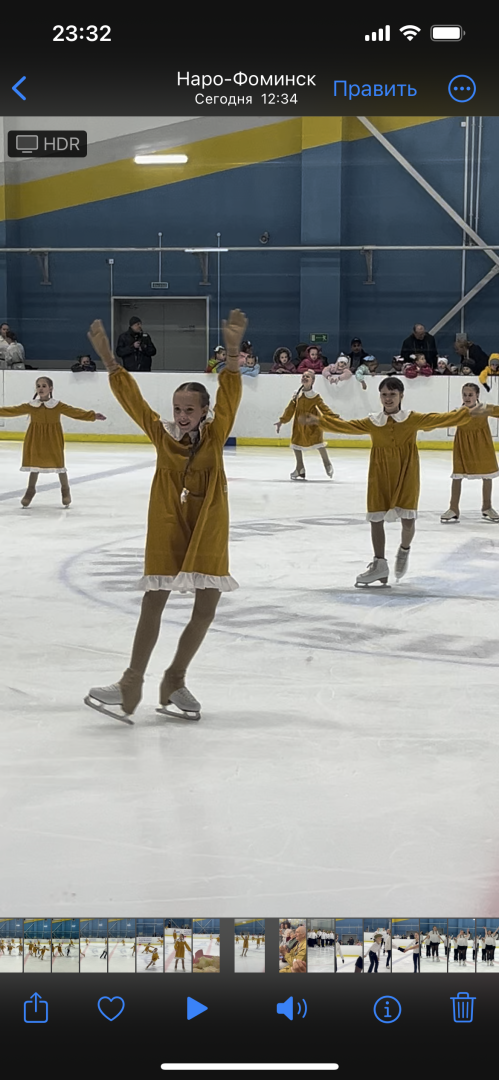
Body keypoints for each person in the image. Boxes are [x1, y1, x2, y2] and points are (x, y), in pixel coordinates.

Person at [84, 310, 247, 724]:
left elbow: (230, 394)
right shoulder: (162, 435)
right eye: (177, 407)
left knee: (206, 608)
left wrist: (231, 353)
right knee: (153, 601)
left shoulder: (216, 429)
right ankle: (129, 683)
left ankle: (174, 679)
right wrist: (109, 361)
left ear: (205, 410)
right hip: (168, 522)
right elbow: (133, 402)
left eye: (189, 407)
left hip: (209, 523)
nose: (181, 414)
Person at [301, 376, 483, 586]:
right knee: (375, 517)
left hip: (407, 472)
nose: (388, 399)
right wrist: (320, 421)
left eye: (392, 394)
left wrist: (465, 410)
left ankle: (404, 550)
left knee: (408, 520)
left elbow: (440, 419)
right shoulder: (373, 421)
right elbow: (347, 426)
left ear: (401, 396)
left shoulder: (411, 419)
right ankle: (379, 565)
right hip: (379, 472)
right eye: (384, 394)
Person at [0, 376, 106, 508]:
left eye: (44, 386)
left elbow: (74, 412)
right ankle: (30, 490)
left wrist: (92, 415)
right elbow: (12, 410)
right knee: (35, 464)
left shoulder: (57, 405)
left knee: (59, 464)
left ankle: (65, 490)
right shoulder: (32, 406)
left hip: (53, 437)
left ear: (50, 388)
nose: (41, 388)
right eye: (38, 386)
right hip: (35, 437)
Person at [441, 383, 499, 523]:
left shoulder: (484, 409)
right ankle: (453, 508)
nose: (467, 398)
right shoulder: (458, 412)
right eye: (465, 395)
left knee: (487, 475)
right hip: (463, 447)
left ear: (477, 395)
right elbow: (441, 420)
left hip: (482, 445)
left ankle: (487, 507)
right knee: (457, 476)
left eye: (470, 395)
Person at [275, 369, 336, 480]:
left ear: (312, 381)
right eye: (303, 376)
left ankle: (327, 463)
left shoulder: (315, 396)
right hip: (299, 425)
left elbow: (324, 409)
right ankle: (300, 468)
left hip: (313, 424)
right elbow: (290, 408)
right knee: (296, 444)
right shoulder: (297, 394)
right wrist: (282, 420)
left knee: (318, 443)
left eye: (308, 377)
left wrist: (335, 418)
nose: (304, 377)